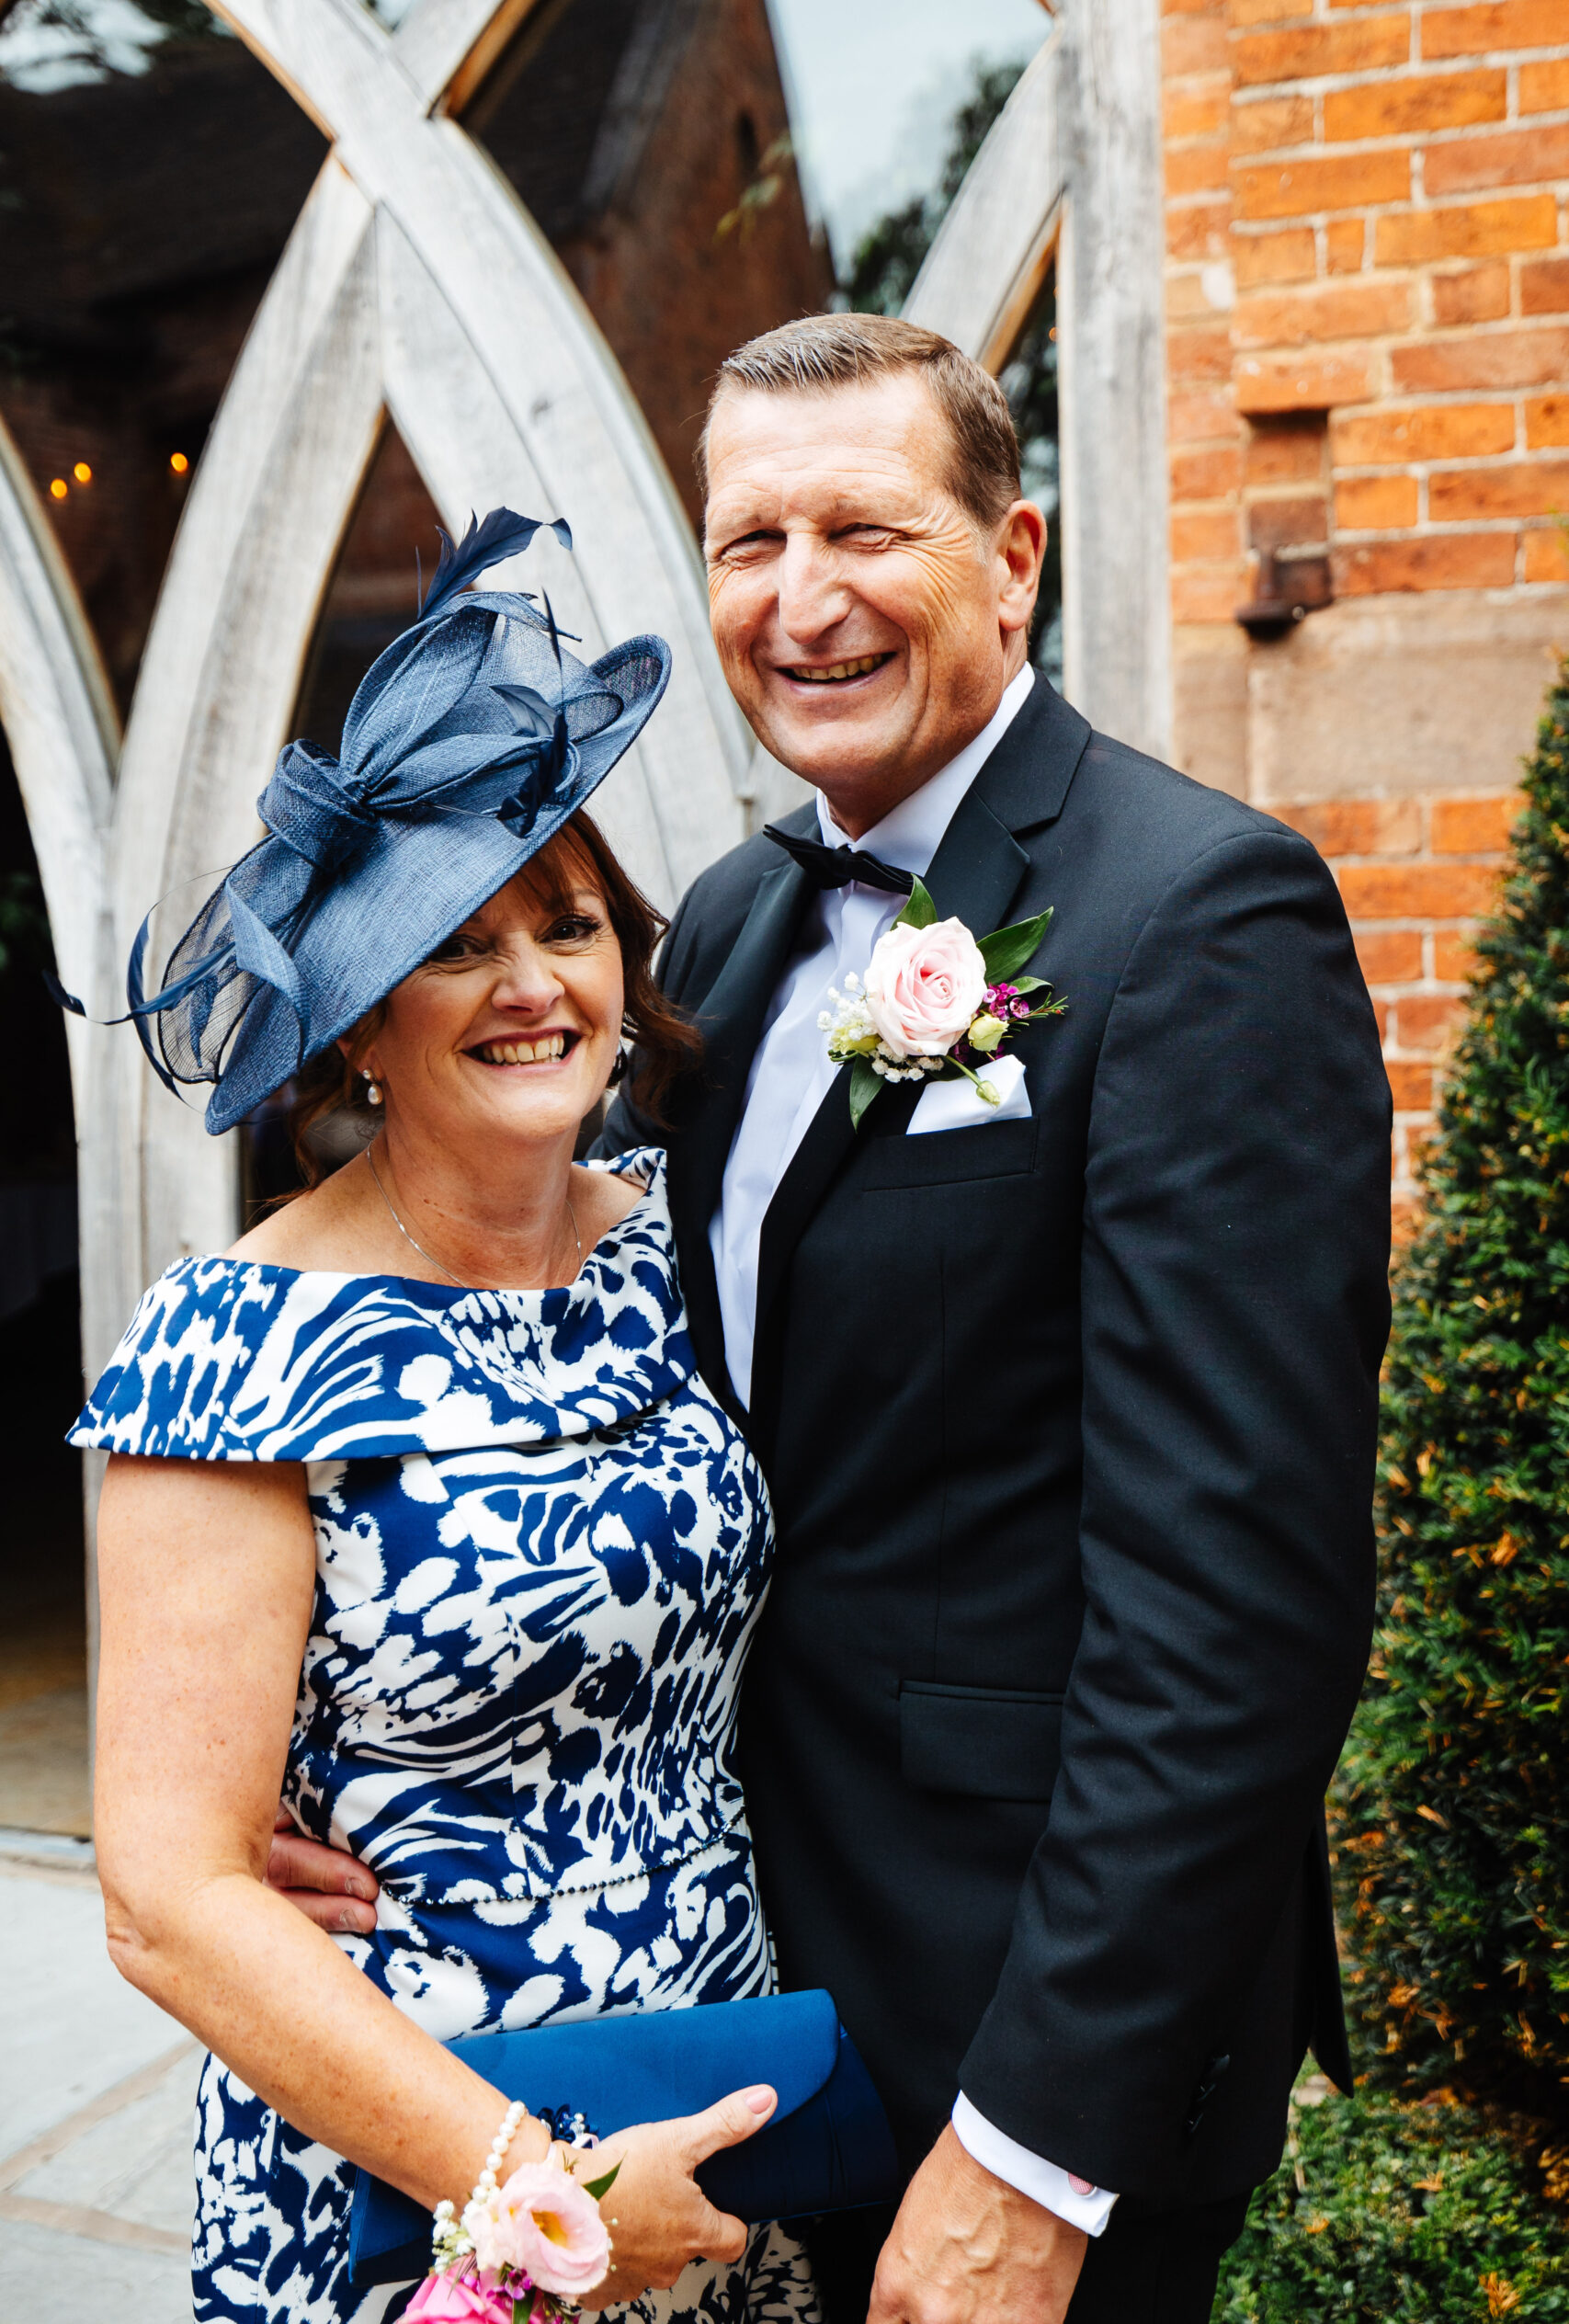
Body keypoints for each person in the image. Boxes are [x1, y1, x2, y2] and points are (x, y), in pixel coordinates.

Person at [271, 316, 1392, 2324]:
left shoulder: (1196, 917)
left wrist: (1034, 2151)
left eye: (861, 530)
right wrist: (320, 1771)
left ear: (1013, 552)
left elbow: (1239, 1607)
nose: (797, 602)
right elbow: (603, 1383)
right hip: (728, 1984)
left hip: (1022, 2016)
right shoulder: (719, 917)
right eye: (743, 542)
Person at [70, 519, 820, 2324]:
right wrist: (538, 2193)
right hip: (424, 2175)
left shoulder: (679, 1244)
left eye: (564, 924)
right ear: (356, 1035)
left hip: (723, 2092)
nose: (531, 983)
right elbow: (169, 1892)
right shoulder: (233, 1347)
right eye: (453, 946)